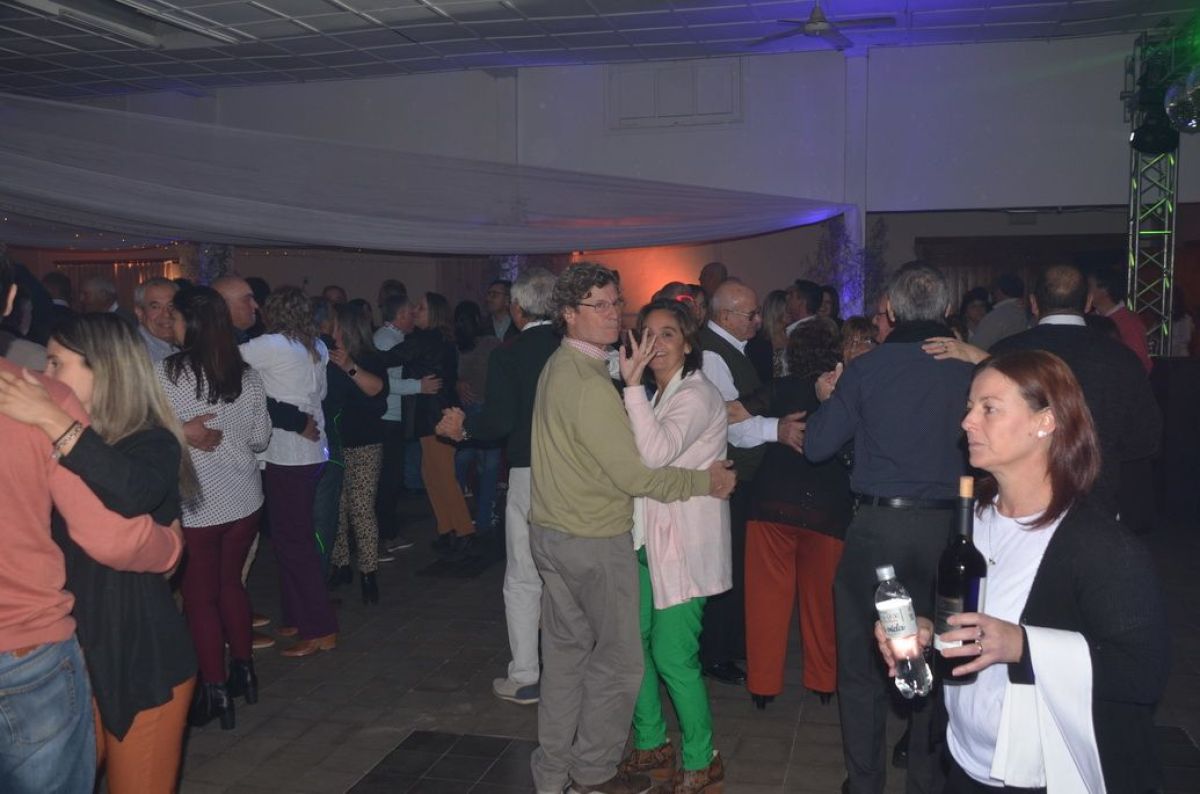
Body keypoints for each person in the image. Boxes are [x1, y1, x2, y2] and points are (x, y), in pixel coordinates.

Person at [877, 350, 1169, 792]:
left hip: (1042, 775)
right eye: (969, 408)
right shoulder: (973, 520)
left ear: (1045, 422)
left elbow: (1143, 674)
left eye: (989, 409)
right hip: (962, 760)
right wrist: (922, 633)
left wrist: (1023, 644)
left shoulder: (1099, 545)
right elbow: (961, 624)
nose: (967, 422)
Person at [527, 263, 735, 794]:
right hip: (592, 540)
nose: (612, 313)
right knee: (617, 665)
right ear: (568, 315)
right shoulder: (596, 383)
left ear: (690, 344)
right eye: (598, 305)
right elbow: (638, 473)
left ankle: (554, 774)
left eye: (615, 303)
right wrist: (702, 483)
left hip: (562, 534)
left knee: (575, 659)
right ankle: (593, 774)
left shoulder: (567, 368)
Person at [0, 257, 184, 794]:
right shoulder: (45, 435)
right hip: (71, 656)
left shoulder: (146, 441)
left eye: (57, 365)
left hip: (135, 656)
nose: (42, 377)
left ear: (104, 369)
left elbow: (134, 493)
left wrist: (57, 421)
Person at [805, 261, 975, 794]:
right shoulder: (973, 370)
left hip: (879, 529)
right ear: (947, 311)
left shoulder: (868, 369)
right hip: (953, 532)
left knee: (860, 665)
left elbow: (817, 446)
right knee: (943, 659)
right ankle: (926, 780)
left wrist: (825, 399)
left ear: (893, 312)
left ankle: (865, 782)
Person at [925, 263, 1161, 519]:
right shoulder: (1121, 358)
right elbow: (1146, 438)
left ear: (1034, 304)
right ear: (1088, 303)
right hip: (1097, 497)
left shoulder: (1007, 352)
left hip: (1024, 501)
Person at [615, 299, 730, 792]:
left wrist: (630, 387)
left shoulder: (696, 394)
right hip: (646, 541)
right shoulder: (659, 394)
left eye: (667, 334)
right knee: (632, 648)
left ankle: (703, 756)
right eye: (647, 333)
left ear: (687, 343)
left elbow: (656, 453)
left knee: (672, 655)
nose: (655, 344)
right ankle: (651, 742)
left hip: (683, 545)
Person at [436, 267, 559, 706]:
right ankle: (571, 673)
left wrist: (464, 428)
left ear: (517, 309)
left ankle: (527, 674)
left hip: (530, 472)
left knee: (525, 574)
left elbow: (500, 422)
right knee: (568, 575)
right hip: (579, 475)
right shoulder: (576, 348)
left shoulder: (511, 354)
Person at [159, 286, 271, 729]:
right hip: (244, 498)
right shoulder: (246, 373)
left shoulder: (168, 374)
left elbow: (146, 432)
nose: (171, 324)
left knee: (200, 599)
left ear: (191, 323)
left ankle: (216, 689)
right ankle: (245, 673)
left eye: (176, 317)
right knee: (231, 587)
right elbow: (261, 438)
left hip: (199, 503)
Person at [698, 279, 806, 686]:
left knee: (736, 565)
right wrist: (776, 429)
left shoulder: (732, 349)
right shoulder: (712, 355)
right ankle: (715, 652)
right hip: (730, 476)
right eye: (751, 315)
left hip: (742, 475)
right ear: (725, 316)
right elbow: (731, 422)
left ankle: (727, 646)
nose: (758, 321)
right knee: (725, 566)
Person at [739, 321, 851, 710]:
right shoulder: (848, 394)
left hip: (773, 504)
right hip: (828, 508)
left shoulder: (781, 388)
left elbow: (731, 414)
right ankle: (823, 680)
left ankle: (763, 685)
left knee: (766, 601)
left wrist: (772, 429)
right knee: (822, 601)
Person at [240, 287, 339, 657]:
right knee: (290, 540)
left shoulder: (270, 345)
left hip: (287, 453)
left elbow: (220, 364)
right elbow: (322, 396)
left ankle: (321, 628)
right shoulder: (316, 346)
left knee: (294, 544)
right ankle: (299, 616)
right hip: (312, 451)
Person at [327, 303, 389, 604]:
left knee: (361, 509)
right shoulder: (326, 359)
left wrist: (349, 366)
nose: (329, 329)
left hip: (364, 443)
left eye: (335, 324)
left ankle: (368, 572)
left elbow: (376, 390)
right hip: (334, 443)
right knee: (335, 509)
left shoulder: (370, 359)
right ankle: (340, 565)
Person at [453, 300, 503, 534]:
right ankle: (484, 518)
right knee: (489, 466)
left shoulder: (455, 346)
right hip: (487, 407)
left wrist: (457, 384)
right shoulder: (491, 343)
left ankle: (458, 518)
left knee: (462, 462)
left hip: (464, 410)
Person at [1087, 264, 1152, 373]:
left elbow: (1142, 363)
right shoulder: (1091, 318)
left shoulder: (1129, 322)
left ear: (1105, 289)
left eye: (1089, 287)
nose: (1086, 291)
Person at [971, 274, 1028, 351]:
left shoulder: (996, 317)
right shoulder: (1027, 312)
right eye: (974, 306)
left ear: (999, 291)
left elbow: (975, 348)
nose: (979, 310)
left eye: (982, 306)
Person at [134, 276, 179, 363]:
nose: (166, 314)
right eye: (155, 307)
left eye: (171, 306)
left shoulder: (185, 344)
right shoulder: (137, 354)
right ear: (140, 313)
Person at [749, 288, 788, 381]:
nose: (793, 310)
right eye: (788, 308)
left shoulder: (793, 335)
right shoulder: (757, 341)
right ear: (777, 309)